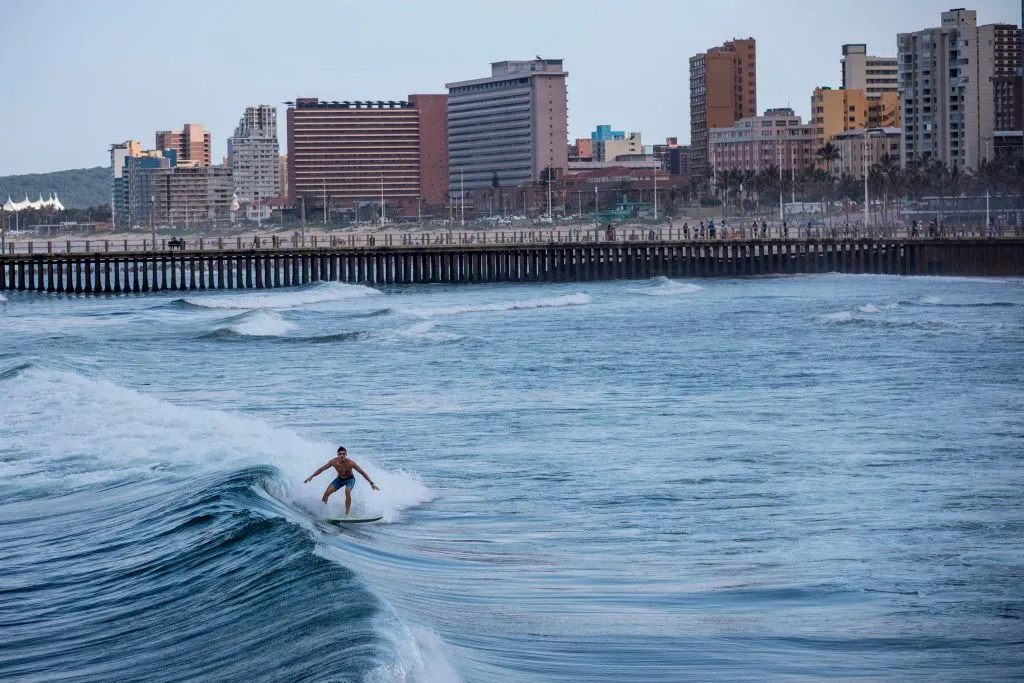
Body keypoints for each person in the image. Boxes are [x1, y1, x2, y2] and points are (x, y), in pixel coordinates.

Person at [304, 446, 380, 516]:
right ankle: (322, 512)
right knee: (326, 493)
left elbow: (362, 472)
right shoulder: (333, 462)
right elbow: (321, 469)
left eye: (343, 454)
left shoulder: (350, 463)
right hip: (339, 480)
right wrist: (311, 476)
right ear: (337, 454)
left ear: (346, 454)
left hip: (350, 480)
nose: (342, 455)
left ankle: (346, 514)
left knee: (347, 491)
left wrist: (371, 483)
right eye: (340, 454)